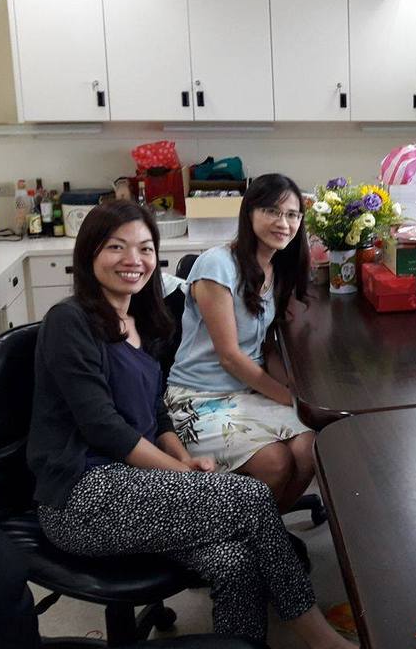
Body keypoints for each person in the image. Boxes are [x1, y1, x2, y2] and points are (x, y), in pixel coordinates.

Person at [27, 200, 353, 648]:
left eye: (145, 248)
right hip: (81, 497)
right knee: (252, 498)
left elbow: (156, 413)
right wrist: (181, 473)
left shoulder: (142, 321)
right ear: (89, 254)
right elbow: (105, 428)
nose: (133, 259)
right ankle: (319, 637)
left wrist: (184, 458)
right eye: (116, 247)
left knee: (236, 561)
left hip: (140, 487)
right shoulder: (69, 321)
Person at [166, 174, 314, 512]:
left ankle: (263, 530)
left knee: (308, 448)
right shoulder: (217, 265)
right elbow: (230, 357)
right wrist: (291, 399)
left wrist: (291, 389)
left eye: (292, 215)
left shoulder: (276, 268)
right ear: (249, 213)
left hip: (245, 392)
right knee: (275, 462)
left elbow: (266, 344)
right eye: (272, 211)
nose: (284, 223)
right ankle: (243, 532)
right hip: (198, 396)